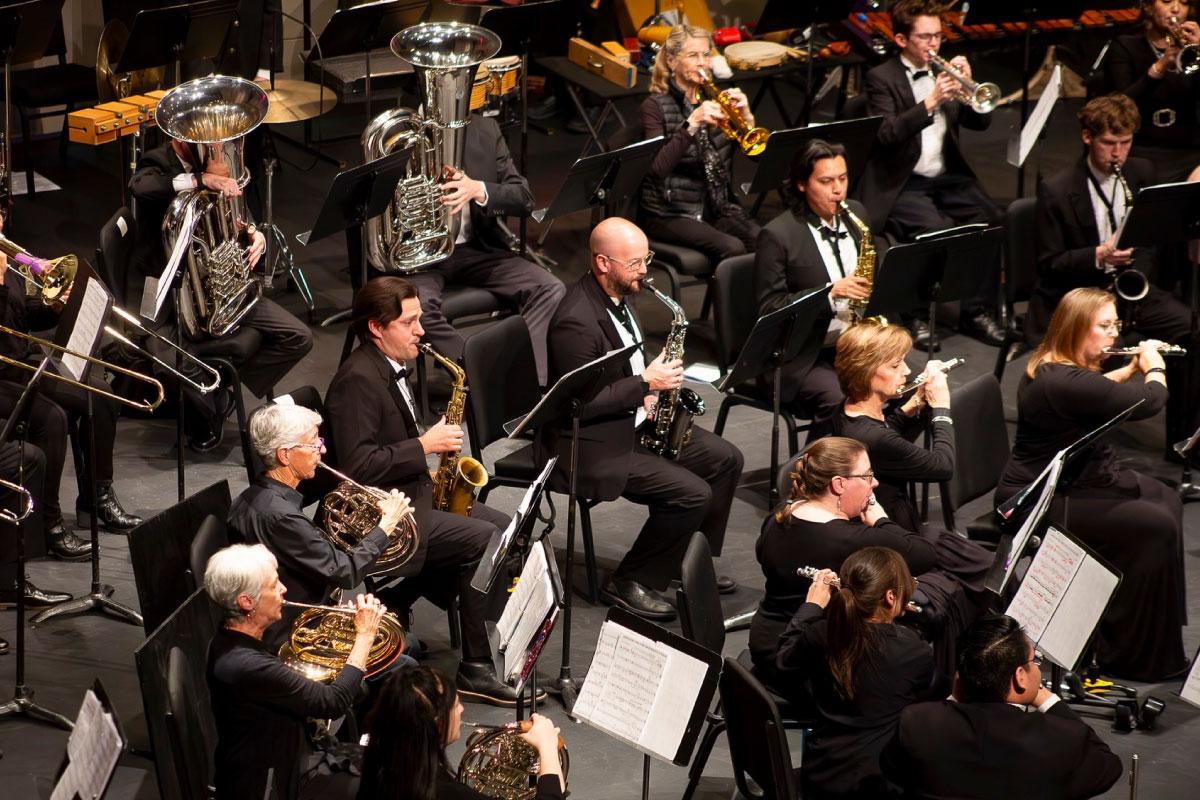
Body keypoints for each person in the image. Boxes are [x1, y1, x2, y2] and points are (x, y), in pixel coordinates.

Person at [325, 276, 527, 706]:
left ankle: (396, 598)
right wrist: (423, 447)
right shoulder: (356, 382)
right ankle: (475, 667)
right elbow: (356, 467)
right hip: (381, 518)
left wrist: (430, 472)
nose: (421, 330)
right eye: (410, 321)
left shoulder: (392, 366)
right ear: (377, 328)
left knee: (505, 527)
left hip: (409, 494)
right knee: (485, 539)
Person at [534, 217, 745, 621]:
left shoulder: (619, 298)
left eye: (645, 259)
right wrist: (644, 382)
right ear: (602, 263)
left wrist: (649, 392)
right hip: (588, 442)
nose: (644, 271)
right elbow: (577, 404)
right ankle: (630, 580)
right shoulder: (575, 321)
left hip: (633, 420)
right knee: (691, 493)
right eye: (634, 263)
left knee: (726, 459)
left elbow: (623, 367)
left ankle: (687, 559)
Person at [996, 287, 1187, 681]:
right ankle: (1129, 654)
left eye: (1115, 323)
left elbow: (1099, 394)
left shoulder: (1056, 366)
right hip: (1041, 498)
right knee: (1156, 526)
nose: (1113, 333)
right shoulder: (1063, 380)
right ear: (1077, 328)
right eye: (1104, 326)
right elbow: (1150, 401)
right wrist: (1153, 366)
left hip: (1074, 481)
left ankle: (1151, 633)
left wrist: (1130, 368)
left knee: (1165, 498)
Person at [1031, 93, 1198, 448]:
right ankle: (1094, 452)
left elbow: (1153, 237)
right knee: (1109, 348)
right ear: (1088, 137)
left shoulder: (1141, 172)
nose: (1118, 153)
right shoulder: (1057, 190)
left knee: (1191, 330)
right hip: (1084, 295)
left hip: (1131, 291)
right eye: (1109, 143)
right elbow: (1048, 263)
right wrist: (1097, 255)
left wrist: (1139, 269)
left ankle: (1182, 443)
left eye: (1125, 143)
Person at [750, 437, 983, 690]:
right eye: (867, 475)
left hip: (767, 641)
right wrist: (881, 520)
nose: (875, 483)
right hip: (804, 662)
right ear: (839, 484)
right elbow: (924, 555)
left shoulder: (780, 514)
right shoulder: (849, 539)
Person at [129, 136, 313, 452]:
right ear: (179, 137)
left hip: (223, 287)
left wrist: (255, 237)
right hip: (167, 287)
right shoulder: (158, 161)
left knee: (299, 337)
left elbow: (240, 217)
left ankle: (224, 386)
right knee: (167, 361)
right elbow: (141, 187)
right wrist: (200, 180)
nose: (215, 148)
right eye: (205, 143)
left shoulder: (219, 163)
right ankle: (207, 410)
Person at [857, 0, 1004, 346]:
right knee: (935, 231)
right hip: (904, 181)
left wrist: (968, 89)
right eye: (924, 37)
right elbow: (887, 134)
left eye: (937, 36)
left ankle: (976, 311)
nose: (933, 45)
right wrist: (931, 101)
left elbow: (980, 122)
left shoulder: (946, 74)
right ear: (901, 40)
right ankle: (916, 315)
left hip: (946, 176)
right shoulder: (881, 78)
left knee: (993, 219)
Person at [0, 213, 135, 558]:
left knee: (102, 396)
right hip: (3, 375)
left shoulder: (8, 257)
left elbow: (24, 315)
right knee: (52, 417)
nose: (1, 221)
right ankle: (50, 524)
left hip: (23, 360)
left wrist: (56, 306)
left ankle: (97, 497)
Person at [228, 402, 412, 655]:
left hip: (303, 607)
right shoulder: (280, 516)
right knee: (404, 650)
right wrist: (385, 525)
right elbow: (346, 572)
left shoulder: (254, 498)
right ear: (285, 455)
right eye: (313, 443)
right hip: (294, 631)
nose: (322, 449)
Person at [397, 112, 564, 387]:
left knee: (549, 287)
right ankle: (483, 375)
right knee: (419, 309)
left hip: (477, 249)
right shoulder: (400, 133)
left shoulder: (484, 128)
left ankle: (527, 384)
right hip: (421, 257)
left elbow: (524, 198)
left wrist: (478, 189)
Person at [204, 543, 383, 800]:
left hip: (288, 754)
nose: (283, 590)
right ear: (246, 601)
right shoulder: (246, 664)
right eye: (274, 585)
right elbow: (333, 702)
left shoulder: (229, 638)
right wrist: (364, 635)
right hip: (273, 782)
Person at [881, 614, 1123, 800]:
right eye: (1034, 661)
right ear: (1020, 677)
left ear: (960, 678)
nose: (1036, 668)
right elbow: (1108, 768)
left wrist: (954, 698)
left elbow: (892, 769)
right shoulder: (1064, 738)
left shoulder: (917, 723)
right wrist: (1047, 699)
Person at [775, 546, 935, 800]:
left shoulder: (820, 633)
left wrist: (812, 606)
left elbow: (783, 661)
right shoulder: (914, 650)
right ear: (891, 597)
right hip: (881, 783)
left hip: (821, 776)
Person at [755, 139, 884, 439]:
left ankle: (882, 474)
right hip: (805, 355)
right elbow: (770, 308)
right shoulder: (778, 234)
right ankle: (815, 476)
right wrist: (829, 293)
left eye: (843, 178)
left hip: (855, 345)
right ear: (802, 184)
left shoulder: (857, 215)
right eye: (826, 181)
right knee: (844, 403)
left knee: (915, 384)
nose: (838, 190)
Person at [639, 25, 760, 264]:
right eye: (693, 56)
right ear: (672, 62)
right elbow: (656, 169)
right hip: (669, 212)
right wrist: (691, 124)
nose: (702, 62)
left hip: (715, 206)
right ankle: (729, 301)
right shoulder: (655, 106)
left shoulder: (718, 100)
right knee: (733, 249)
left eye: (706, 55)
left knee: (766, 241)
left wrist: (747, 119)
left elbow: (756, 156)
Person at [357, 666, 565, 800]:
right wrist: (547, 746)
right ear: (438, 724)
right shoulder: (444, 792)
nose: (462, 710)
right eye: (455, 705)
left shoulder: (377, 757)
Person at [831, 322, 954, 532]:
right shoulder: (872, 437)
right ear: (866, 372)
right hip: (892, 531)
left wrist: (913, 404)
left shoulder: (846, 409)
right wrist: (941, 409)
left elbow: (886, 431)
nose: (906, 370)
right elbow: (942, 466)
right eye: (895, 365)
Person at [1101, 0, 1200, 182]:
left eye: (1184, 3)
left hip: (1187, 149)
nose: (1176, 9)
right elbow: (1120, 106)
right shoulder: (1125, 47)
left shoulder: (1192, 52)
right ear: (1148, 7)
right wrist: (1160, 67)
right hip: (1140, 149)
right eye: (1167, 1)